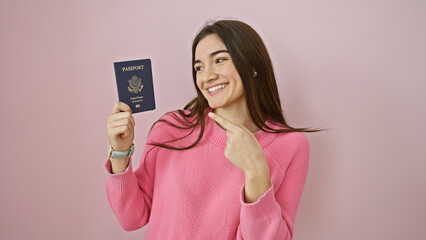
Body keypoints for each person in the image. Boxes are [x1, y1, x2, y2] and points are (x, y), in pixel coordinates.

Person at [105, 19, 321, 240]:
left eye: (219, 60)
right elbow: (131, 218)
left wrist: (257, 175)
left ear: (253, 67)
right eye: (199, 67)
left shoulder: (291, 146)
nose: (206, 76)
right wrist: (120, 154)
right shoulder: (171, 129)